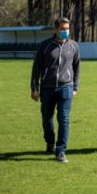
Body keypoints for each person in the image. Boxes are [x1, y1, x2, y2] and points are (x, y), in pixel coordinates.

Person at [30, 17, 80, 163]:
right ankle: (50, 141)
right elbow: (36, 68)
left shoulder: (74, 46)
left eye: (68, 28)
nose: (66, 31)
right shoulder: (45, 46)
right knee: (47, 119)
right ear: (56, 29)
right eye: (63, 29)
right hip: (47, 88)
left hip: (66, 87)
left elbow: (77, 67)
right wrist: (34, 88)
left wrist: (75, 87)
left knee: (64, 119)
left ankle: (61, 151)